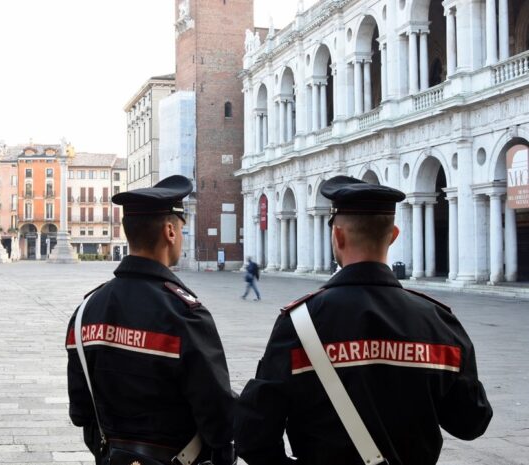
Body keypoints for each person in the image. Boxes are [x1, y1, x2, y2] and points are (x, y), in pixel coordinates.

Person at [235, 176, 492, 465]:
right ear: (393, 235)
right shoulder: (437, 321)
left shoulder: (299, 323)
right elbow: (471, 422)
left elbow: (253, 435)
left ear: (338, 236)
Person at [66, 175, 236, 465]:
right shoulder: (185, 315)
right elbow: (220, 422)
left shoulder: (85, 312)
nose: (181, 235)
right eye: (181, 228)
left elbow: (80, 413)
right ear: (170, 231)